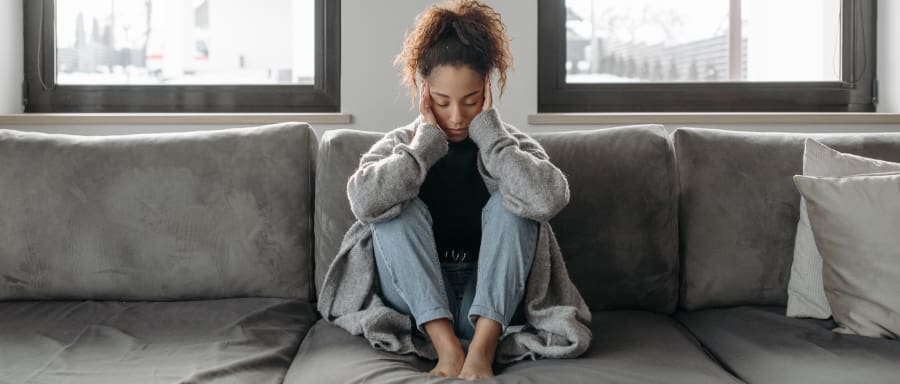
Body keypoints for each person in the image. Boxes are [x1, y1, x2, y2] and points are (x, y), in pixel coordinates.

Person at [317, 0, 592, 380]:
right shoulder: (402, 145)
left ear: (488, 92)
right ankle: (447, 350)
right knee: (394, 211)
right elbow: (364, 203)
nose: (457, 116)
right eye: (443, 102)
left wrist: (493, 139)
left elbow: (548, 199)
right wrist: (422, 149)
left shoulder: (509, 147)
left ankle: (480, 351)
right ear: (423, 90)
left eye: (472, 101)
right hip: (418, 304)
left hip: (492, 302)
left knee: (513, 205)